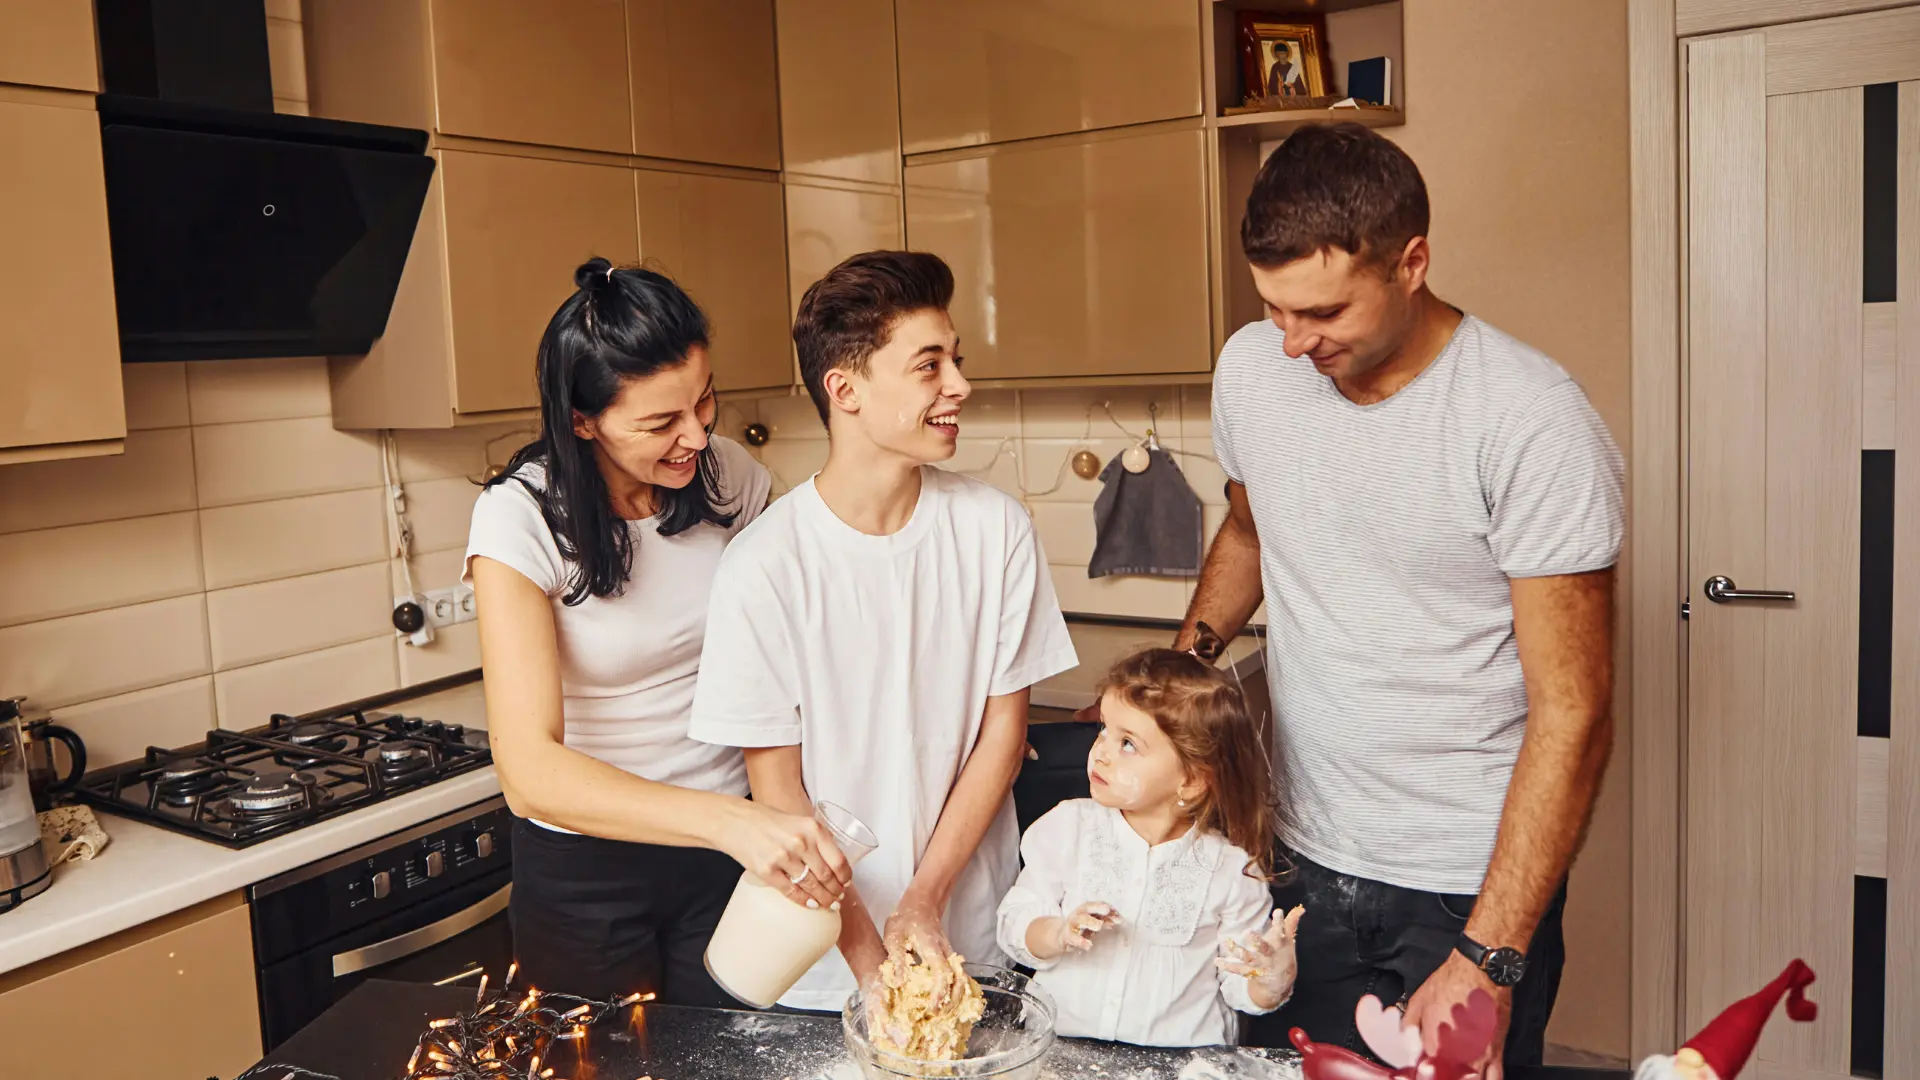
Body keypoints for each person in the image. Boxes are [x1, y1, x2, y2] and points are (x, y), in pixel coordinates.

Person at [1183, 122, 1623, 1074]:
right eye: (1273, 309)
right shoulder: (1253, 371)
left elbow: (1576, 712)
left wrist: (1489, 955)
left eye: (1323, 312)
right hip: (1296, 854)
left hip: (1459, 888)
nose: (1294, 342)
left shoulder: (1529, 419)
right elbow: (1253, 529)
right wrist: (1186, 669)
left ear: (1412, 262)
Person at [687, 250, 1079, 1014]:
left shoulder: (994, 530)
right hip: (821, 956)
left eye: (955, 360)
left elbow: (1003, 738)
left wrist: (925, 902)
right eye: (929, 365)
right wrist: (876, 974)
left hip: (971, 933)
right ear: (846, 389)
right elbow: (780, 794)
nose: (959, 386)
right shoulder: (763, 565)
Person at [466, 258, 852, 1004]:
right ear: (582, 420)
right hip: (588, 876)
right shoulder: (519, 518)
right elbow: (528, 770)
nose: (696, 438)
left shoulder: (730, 480)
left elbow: (800, 647)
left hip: (728, 861)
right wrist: (730, 823)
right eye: (659, 424)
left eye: (704, 402)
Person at [997, 639, 1305, 1047]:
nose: (1101, 751)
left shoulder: (1231, 870)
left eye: (1128, 743)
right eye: (1104, 729)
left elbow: (1238, 987)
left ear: (1192, 780)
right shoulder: (1068, 829)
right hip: (1061, 1051)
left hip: (1181, 1065)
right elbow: (1013, 923)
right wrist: (1055, 933)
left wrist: (1271, 979)